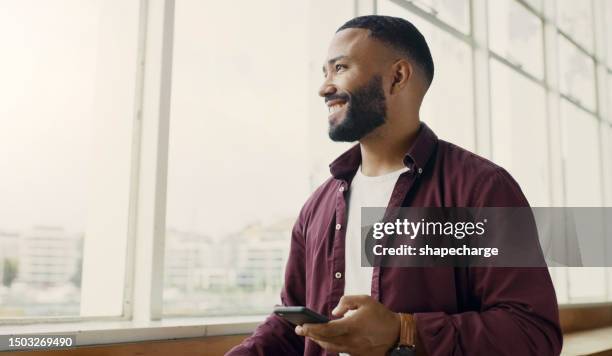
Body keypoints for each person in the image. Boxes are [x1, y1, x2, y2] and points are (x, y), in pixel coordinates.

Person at [226, 15, 562, 356]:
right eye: (324, 73)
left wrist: (404, 331)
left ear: (397, 77)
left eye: (340, 68)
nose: (325, 87)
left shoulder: (484, 189)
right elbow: (290, 327)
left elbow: (532, 334)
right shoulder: (317, 206)